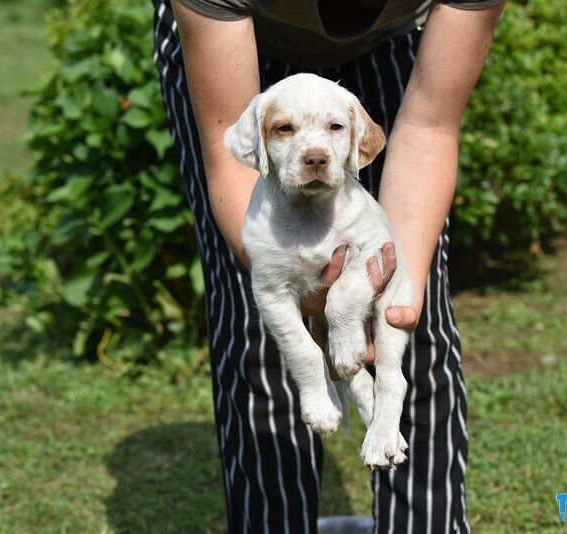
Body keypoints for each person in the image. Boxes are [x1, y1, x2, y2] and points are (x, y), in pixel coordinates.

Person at [151, 0, 505, 532]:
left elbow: (429, 129)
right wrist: (295, 283)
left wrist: (394, 291)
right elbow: (230, 158)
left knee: (410, 322)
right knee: (261, 328)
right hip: (235, 43)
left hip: (393, 45)